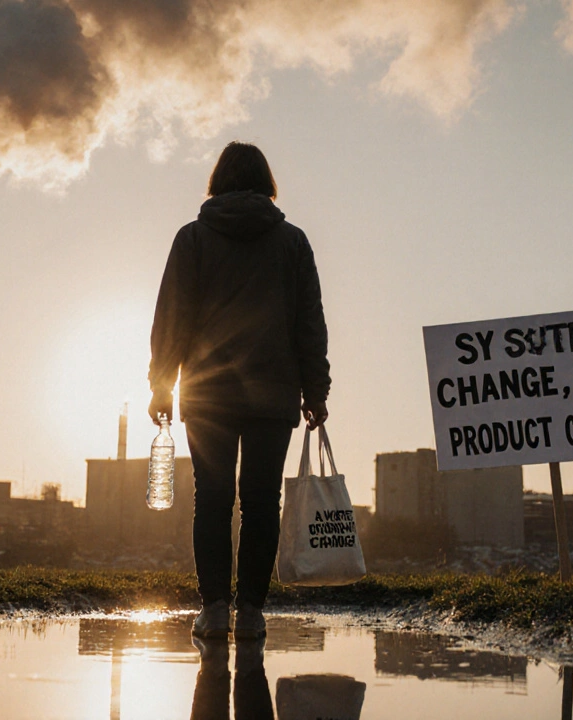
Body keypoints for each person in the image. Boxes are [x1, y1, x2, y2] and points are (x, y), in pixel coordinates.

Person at [149, 141, 331, 640]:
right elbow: (309, 324)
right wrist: (316, 391)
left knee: (210, 500)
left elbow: (171, 319)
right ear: (267, 183)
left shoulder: (192, 240)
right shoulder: (292, 242)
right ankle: (250, 612)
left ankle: (213, 609)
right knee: (260, 502)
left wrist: (161, 384)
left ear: (217, 181)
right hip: (272, 395)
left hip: (209, 394)